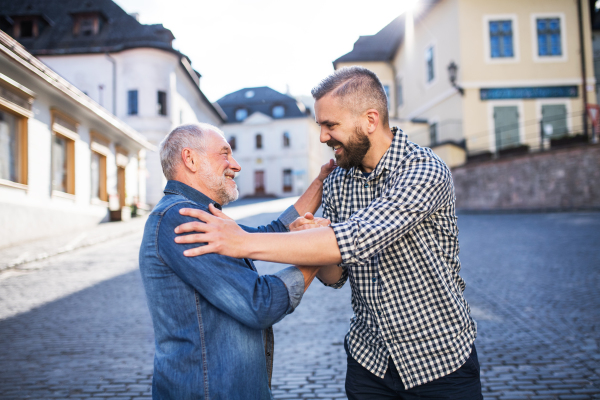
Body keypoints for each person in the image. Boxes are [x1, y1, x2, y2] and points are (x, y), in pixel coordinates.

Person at [174, 67, 483, 399]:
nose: (322, 137)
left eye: (330, 125)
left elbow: (359, 236)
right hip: (370, 364)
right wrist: (313, 235)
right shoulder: (337, 180)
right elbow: (336, 276)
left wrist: (241, 241)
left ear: (370, 119)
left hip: (440, 364)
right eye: (321, 125)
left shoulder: (424, 171)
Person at [138, 123, 333, 399]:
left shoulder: (202, 215)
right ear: (190, 159)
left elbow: (271, 234)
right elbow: (260, 303)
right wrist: (318, 249)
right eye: (225, 153)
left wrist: (321, 182)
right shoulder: (181, 218)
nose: (236, 165)